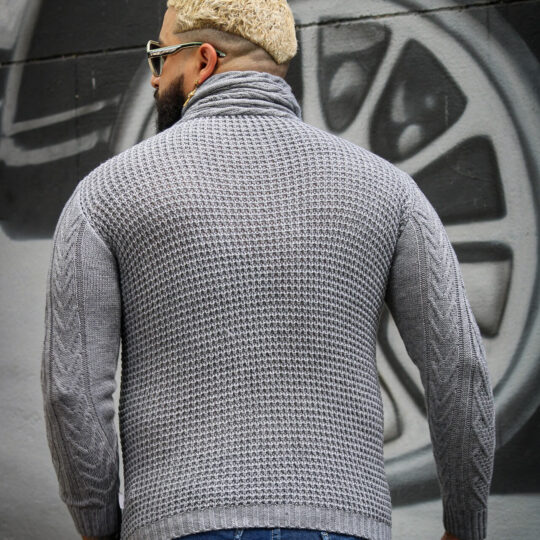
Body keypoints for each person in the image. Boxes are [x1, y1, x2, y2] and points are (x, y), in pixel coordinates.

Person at [40, 1, 496, 539]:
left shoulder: (105, 194)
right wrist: (464, 525)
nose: (155, 77)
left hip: (178, 522)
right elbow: (459, 366)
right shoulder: (390, 191)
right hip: (344, 522)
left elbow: (71, 389)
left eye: (160, 57)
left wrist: (98, 527)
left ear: (203, 60)